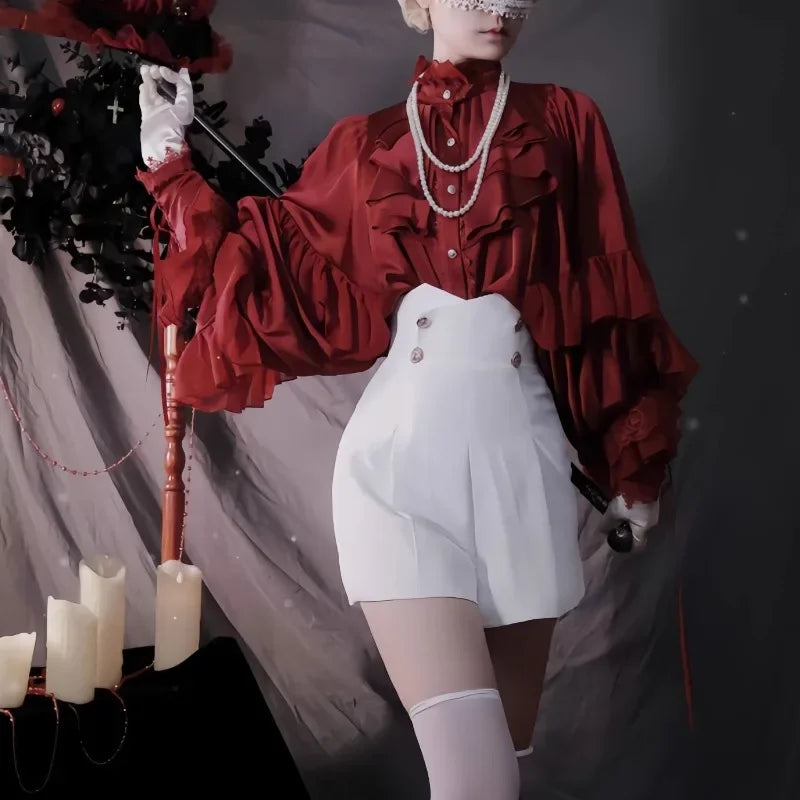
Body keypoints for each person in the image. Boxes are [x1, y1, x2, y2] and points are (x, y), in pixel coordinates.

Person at [137, 1, 698, 797]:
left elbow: (605, 295)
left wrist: (632, 465)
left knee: (503, 774)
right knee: (476, 782)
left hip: (524, 477)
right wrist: (168, 156)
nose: (500, 5)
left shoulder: (566, 123)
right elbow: (256, 273)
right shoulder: (365, 148)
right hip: (399, 478)